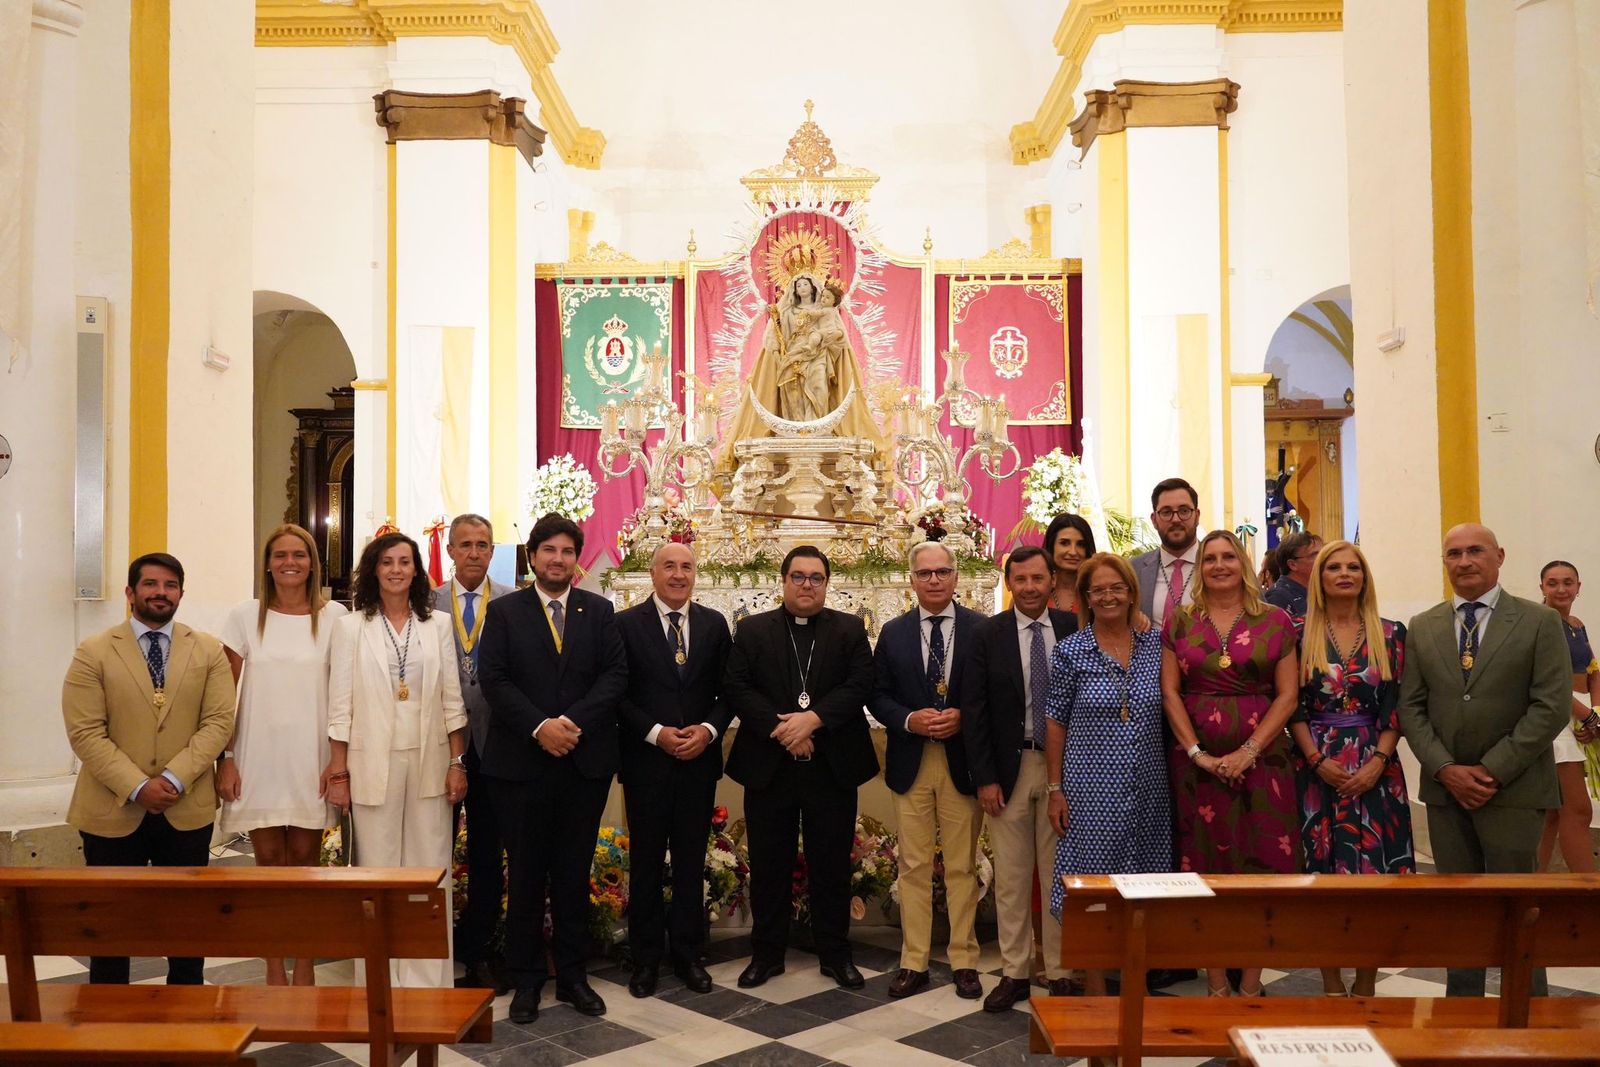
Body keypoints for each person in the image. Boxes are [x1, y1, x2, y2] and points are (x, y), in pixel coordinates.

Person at [1396, 523, 1570, 998]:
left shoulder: (1538, 621)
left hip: (1513, 789)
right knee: (1460, 909)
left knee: (1519, 904)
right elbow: (1411, 706)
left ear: (1499, 556)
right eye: (1453, 553)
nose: (1465, 561)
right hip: (1446, 790)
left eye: (1476, 551)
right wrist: (1446, 769)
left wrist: (1492, 770)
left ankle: (1528, 1007)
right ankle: (1462, 1011)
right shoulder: (1424, 625)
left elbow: (1550, 705)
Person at [478, 513, 627, 1023]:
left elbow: (614, 676)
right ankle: (526, 981)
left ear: (576, 560)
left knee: (571, 874)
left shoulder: (599, 611)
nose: (558, 559)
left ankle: (573, 977)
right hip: (521, 765)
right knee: (524, 876)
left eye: (567, 552)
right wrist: (541, 726)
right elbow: (493, 680)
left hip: (582, 764)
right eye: (549, 551)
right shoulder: (505, 612)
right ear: (533, 557)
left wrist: (569, 723)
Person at [61, 552, 235, 985]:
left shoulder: (208, 649)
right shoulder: (94, 652)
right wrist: (138, 786)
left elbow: (219, 721)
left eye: (170, 585)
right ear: (130, 592)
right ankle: (110, 1023)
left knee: (186, 927)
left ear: (180, 593)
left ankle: (186, 1020)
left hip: (186, 805)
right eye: (151, 584)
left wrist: (173, 779)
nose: (161, 593)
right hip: (111, 809)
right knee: (110, 929)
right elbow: (85, 733)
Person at [724, 546, 878, 991]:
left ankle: (835, 953)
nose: (806, 584)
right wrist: (785, 729)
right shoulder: (753, 630)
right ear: (784, 581)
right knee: (769, 865)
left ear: (827, 584)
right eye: (798, 576)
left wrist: (814, 719)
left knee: (830, 864)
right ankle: (766, 954)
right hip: (770, 767)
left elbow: (861, 683)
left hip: (830, 765)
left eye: (816, 578)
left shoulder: (849, 629)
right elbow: (736, 686)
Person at [325, 531, 467, 988]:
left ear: (416, 570)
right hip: (371, 763)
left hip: (430, 760)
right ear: (373, 570)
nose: (396, 570)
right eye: (387, 562)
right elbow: (340, 704)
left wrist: (457, 762)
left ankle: (428, 979)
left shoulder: (438, 624)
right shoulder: (351, 626)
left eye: (405, 562)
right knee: (379, 872)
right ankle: (380, 978)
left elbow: (451, 700)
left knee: (429, 872)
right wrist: (339, 771)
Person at [1161, 529, 1299, 998]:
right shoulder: (1180, 621)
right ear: (1199, 569)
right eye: (1210, 559)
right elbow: (1170, 692)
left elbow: (1288, 694)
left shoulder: (1277, 620)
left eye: (1228, 557)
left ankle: (1252, 985)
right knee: (1203, 869)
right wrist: (1198, 754)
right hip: (1196, 767)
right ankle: (1217, 983)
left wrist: (1249, 751)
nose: (1219, 565)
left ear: (1242, 563)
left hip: (1264, 763)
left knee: (1263, 869)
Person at [217, 524, 348, 986]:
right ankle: (274, 966)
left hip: (312, 756)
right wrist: (226, 758)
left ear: (313, 563)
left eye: (299, 554)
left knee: (307, 865)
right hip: (259, 756)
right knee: (269, 865)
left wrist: (338, 762)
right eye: (280, 555)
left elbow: (343, 693)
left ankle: (307, 963)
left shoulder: (334, 617)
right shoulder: (244, 616)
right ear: (267, 563)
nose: (289, 562)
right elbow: (222, 696)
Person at [1288, 540, 1414, 998]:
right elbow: (1292, 708)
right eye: (1334, 567)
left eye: (1353, 567)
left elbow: (1397, 706)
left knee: (1375, 884)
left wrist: (1378, 761)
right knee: (1323, 882)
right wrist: (1318, 761)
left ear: (1365, 577)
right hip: (1314, 765)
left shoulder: (1391, 632)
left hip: (1377, 768)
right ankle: (1330, 985)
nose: (1344, 574)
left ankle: (1366, 984)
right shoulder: (1297, 631)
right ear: (1319, 578)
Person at [1044, 552, 1172, 997]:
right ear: (1085, 598)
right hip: (1089, 791)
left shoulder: (1156, 646)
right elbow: (1055, 721)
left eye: (1116, 587)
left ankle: (1137, 980)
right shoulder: (1070, 651)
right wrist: (1055, 789)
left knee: (1143, 888)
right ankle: (1095, 986)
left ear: (1131, 592)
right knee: (1093, 892)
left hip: (1149, 788)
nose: (1108, 596)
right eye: (1098, 590)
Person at [962, 545, 1079, 1011]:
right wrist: (986, 777)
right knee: (1011, 878)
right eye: (1021, 580)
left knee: (1060, 877)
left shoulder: (1074, 628)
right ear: (1008, 583)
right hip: (1007, 771)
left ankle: (1061, 970)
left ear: (1053, 580)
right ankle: (1014, 972)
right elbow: (975, 711)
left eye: (1038, 578)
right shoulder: (987, 634)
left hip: (1066, 770)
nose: (1029, 587)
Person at [870, 540, 986, 1001]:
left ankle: (964, 959)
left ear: (956, 577)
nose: (934, 580)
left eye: (942, 572)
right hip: (911, 759)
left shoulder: (981, 630)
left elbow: (993, 692)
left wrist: (964, 715)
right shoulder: (894, 632)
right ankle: (913, 960)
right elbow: (876, 695)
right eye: (925, 574)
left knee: (961, 865)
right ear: (912, 579)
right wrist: (908, 719)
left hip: (961, 760)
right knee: (913, 864)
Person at [616, 542, 733, 998]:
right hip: (646, 762)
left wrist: (707, 730)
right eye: (670, 566)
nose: (678, 574)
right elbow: (618, 693)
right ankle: (644, 959)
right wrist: (655, 733)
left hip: (697, 763)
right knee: (645, 862)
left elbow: (729, 692)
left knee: (690, 862)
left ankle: (688, 954)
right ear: (653, 573)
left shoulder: (713, 624)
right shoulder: (625, 625)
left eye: (686, 567)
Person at [432, 513, 512, 991]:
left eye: (483, 544)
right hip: (439, 747)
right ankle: (433, 949)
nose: (475, 553)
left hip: (495, 745)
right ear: (451, 551)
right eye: (466, 545)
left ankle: (479, 950)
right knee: (433, 848)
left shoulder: (512, 602)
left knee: (487, 852)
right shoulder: (427, 602)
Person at [716, 272, 886, 470]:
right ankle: (796, 427)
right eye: (798, 286)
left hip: (817, 357)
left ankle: (818, 427)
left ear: (813, 288)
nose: (801, 288)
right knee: (792, 391)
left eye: (805, 285)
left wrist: (821, 340)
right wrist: (779, 351)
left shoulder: (823, 310)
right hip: (792, 356)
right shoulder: (786, 311)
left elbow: (839, 338)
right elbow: (775, 338)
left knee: (818, 388)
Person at [1535, 560, 1600, 874]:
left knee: (1551, 812)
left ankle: (1529, 886)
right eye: (1553, 582)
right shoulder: (1541, 623)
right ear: (1542, 587)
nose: (1561, 589)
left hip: (1577, 720)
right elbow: (1549, 681)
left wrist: (1594, 714)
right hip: (1552, 723)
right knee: (1577, 810)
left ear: (1578, 586)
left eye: (1568, 582)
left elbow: (1593, 672)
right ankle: (1589, 894)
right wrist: (1588, 717)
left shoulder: (1576, 624)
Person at [1131, 477, 1202, 629]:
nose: (1176, 519)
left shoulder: (1223, 565)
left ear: (1197, 516)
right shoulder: (1133, 570)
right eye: (1166, 512)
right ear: (1154, 519)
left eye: (1184, 511)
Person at [1043, 513, 1095, 616]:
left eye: (1081, 545)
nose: (1073, 552)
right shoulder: (1034, 590)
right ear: (1051, 546)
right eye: (1064, 543)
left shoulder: (1097, 591)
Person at [1263, 531, 1323, 617]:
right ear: (1292, 565)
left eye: (1323, 554)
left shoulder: (1319, 591)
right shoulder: (1278, 598)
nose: (1323, 560)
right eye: (1314, 555)